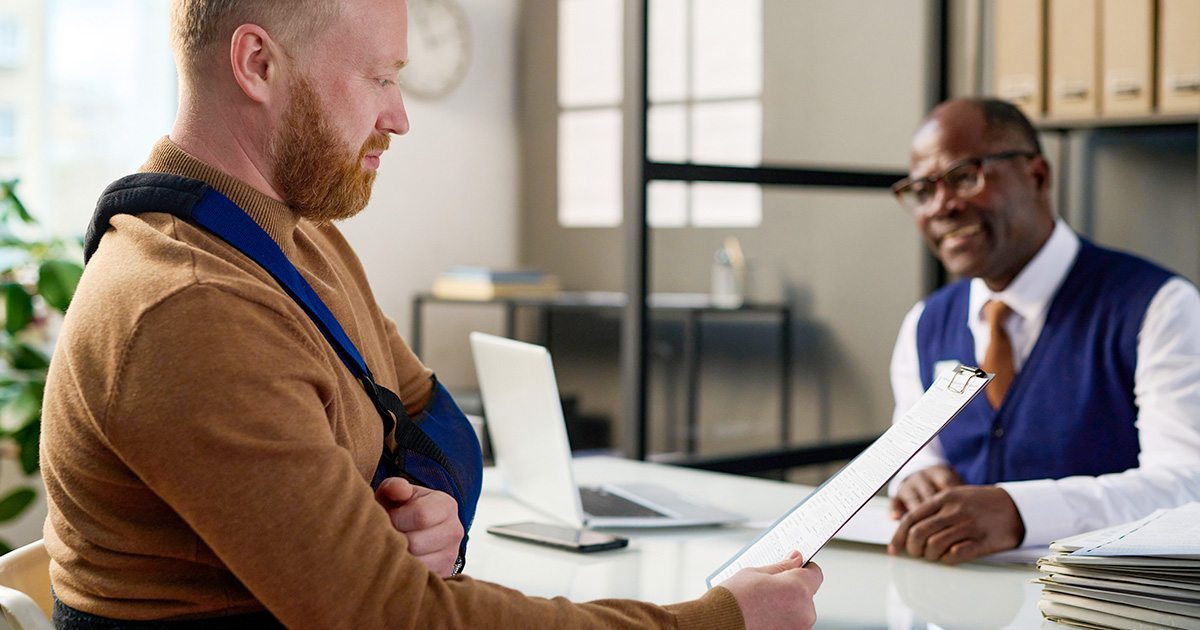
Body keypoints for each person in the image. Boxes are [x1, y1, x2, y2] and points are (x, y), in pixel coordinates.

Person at [39, 0, 823, 628]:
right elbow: (397, 617)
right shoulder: (189, 308)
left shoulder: (302, 243)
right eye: (380, 77)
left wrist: (429, 502)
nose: (400, 116)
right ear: (258, 64)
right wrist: (720, 621)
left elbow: (428, 410)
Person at [885, 97, 1200, 565]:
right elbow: (912, 455)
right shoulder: (924, 322)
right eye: (922, 190)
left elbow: (1186, 485)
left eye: (964, 176)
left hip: (1099, 603)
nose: (942, 207)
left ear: (1037, 176)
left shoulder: (1158, 306)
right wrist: (917, 477)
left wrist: (1020, 512)